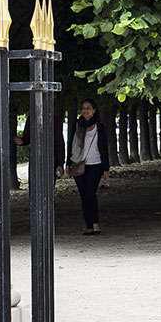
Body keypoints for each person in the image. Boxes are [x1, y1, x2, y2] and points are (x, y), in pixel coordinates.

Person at [64, 99, 112, 235]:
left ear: (94, 110)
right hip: (78, 164)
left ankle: (95, 223)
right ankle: (88, 225)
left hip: (95, 165)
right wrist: (68, 163)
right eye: (84, 108)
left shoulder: (100, 127)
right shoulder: (77, 125)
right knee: (84, 196)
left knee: (90, 194)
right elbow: (70, 144)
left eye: (88, 108)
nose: (85, 110)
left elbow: (104, 148)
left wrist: (106, 168)